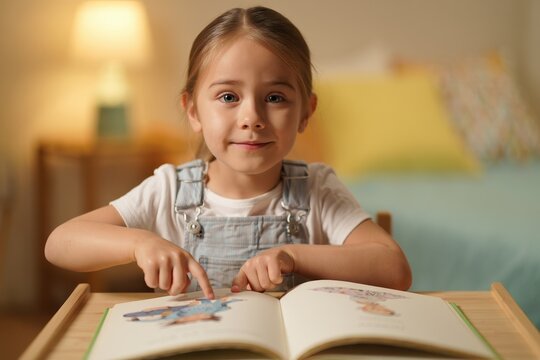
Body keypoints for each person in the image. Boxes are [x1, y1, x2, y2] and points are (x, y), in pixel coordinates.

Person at [45, 6, 412, 300]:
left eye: (275, 98)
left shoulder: (317, 189)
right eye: (228, 97)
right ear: (193, 111)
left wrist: (293, 256)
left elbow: (394, 268)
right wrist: (140, 243)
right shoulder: (168, 191)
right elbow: (60, 243)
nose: (251, 117)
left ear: (305, 113)